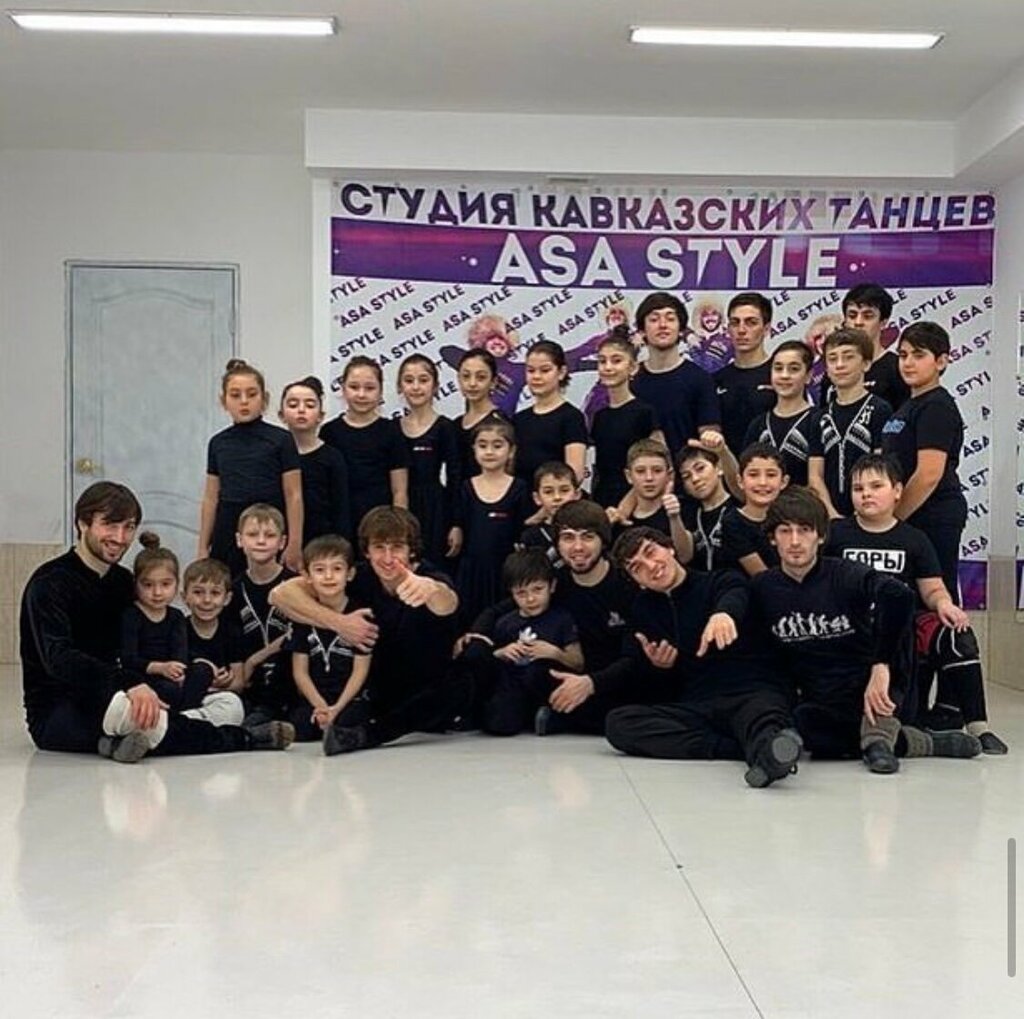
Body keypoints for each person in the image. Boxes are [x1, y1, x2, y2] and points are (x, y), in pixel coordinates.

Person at [20, 481, 292, 760]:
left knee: (229, 704)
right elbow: (59, 659)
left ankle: (122, 740)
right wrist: (129, 684)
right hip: (60, 709)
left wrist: (198, 669)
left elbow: (152, 641)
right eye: (109, 525)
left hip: (124, 691)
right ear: (82, 523)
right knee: (137, 714)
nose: (120, 537)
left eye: (128, 527)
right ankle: (244, 738)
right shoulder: (49, 583)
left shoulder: (122, 582)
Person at [751, 487, 981, 773]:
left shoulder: (842, 573)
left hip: (875, 684)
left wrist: (880, 665)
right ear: (772, 538)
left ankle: (878, 741)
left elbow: (899, 596)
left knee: (898, 625)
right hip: (823, 699)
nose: (795, 541)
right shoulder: (763, 587)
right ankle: (917, 742)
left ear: (820, 536)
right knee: (810, 731)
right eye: (785, 531)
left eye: (805, 530)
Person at [826, 454, 1008, 753]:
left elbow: (932, 588)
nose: (866, 494)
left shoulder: (915, 539)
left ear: (897, 490)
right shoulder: (835, 534)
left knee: (957, 634)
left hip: (902, 632)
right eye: (858, 489)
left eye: (876, 486)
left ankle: (979, 727)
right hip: (850, 629)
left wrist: (944, 604)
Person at [604, 527, 803, 789]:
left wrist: (724, 614)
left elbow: (735, 593)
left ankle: (768, 752)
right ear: (636, 580)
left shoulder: (718, 580)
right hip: (700, 704)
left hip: (751, 692)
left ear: (670, 548)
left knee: (764, 719)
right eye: (637, 567)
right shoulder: (643, 609)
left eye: (651, 553)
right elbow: (648, 680)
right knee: (619, 724)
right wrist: (661, 667)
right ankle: (748, 750)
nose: (651, 567)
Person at [271, 507, 471, 755]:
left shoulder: (429, 577)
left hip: (426, 686)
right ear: (367, 551)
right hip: (379, 686)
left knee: (464, 675)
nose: (388, 558)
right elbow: (279, 595)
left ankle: (367, 736)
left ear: (411, 550)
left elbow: (447, 602)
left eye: (397, 547)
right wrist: (339, 623)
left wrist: (429, 589)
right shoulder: (360, 576)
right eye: (379, 547)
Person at [881, 322, 967, 602]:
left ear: (941, 361)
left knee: (936, 597)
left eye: (918, 355)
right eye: (903, 355)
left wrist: (892, 519)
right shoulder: (909, 405)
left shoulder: (936, 406)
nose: (908, 363)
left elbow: (929, 474)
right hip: (912, 514)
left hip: (933, 514)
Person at [120, 533, 242, 724]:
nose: (157, 592)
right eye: (148, 585)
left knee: (203, 672)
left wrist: (189, 668)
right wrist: (160, 667)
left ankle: (180, 719)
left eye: (165, 584)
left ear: (176, 585)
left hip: (174, 680)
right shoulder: (132, 615)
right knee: (167, 690)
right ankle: (181, 721)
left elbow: (180, 653)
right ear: (136, 585)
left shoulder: (176, 616)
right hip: (145, 679)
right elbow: (128, 659)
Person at [198, 358, 303, 575]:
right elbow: (210, 497)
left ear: (264, 399)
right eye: (235, 395)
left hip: (270, 526)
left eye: (252, 394)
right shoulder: (218, 443)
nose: (244, 402)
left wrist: (294, 542)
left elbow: (294, 494)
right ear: (224, 401)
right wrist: (202, 546)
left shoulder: (281, 440)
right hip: (228, 530)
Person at [480, 550, 583, 736]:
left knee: (538, 676)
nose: (530, 599)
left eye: (537, 589)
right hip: (514, 685)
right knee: (500, 722)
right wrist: (503, 652)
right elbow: (492, 658)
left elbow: (578, 662)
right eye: (521, 593)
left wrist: (555, 653)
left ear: (552, 586)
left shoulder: (562, 619)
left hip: (546, 683)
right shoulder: (505, 623)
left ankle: (548, 716)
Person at [287, 535, 372, 745]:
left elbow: (360, 671)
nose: (328, 576)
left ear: (350, 573)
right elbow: (300, 672)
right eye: (319, 569)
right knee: (300, 725)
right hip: (316, 698)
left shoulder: (362, 614)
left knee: (348, 720)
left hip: (350, 699)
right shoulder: (303, 617)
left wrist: (337, 708)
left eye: (337, 569)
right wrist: (320, 706)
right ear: (306, 576)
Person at [449, 418, 532, 626]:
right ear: (474, 450)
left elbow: (524, 530)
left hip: (504, 571)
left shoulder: (520, 488)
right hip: (471, 572)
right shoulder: (466, 487)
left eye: (497, 445)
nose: (489, 452)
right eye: (483, 445)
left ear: (511, 451)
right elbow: (459, 525)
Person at [807, 328, 893, 518]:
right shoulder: (820, 417)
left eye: (848, 357)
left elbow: (880, 467)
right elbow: (815, 475)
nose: (839, 365)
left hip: (868, 513)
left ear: (866, 364)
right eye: (832, 359)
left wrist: (861, 512)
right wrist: (831, 514)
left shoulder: (880, 409)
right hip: (829, 516)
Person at [320, 355, 409, 535]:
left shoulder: (391, 431)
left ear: (380, 391)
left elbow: (399, 490)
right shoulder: (329, 432)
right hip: (338, 522)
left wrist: (398, 528)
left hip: (380, 523)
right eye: (354, 387)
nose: (361, 394)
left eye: (369, 388)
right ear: (343, 389)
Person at [228, 504, 297, 725]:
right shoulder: (234, 588)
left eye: (269, 535)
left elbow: (298, 634)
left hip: (291, 679)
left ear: (282, 542)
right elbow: (232, 638)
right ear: (239, 540)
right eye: (252, 535)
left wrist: (255, 659)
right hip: (251, 684)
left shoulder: (296, 584)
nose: (261, 541)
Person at [631, 292, 720, 458]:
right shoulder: (631, 380)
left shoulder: (700, 379)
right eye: (654, 319)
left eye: (670, 319)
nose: (662, 325)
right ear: (642, 331)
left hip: (689, 471)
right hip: (641, 472)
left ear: (681, 330)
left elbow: (710, 441)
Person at [397, 354, 462, 564]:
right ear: (400, 387)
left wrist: (456, 523)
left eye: (423, 380)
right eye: (409, 380)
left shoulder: (445, 427)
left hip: (436, 507)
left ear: (435, 386)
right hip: (401, 504)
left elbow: (455, 476)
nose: (416, 387)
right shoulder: (392, 428)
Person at [588, 333, 661, 508]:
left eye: (616, 361)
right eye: (602, 361)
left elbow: (658, 464)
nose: (608, 367)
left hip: (638, 503)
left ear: (633, 368)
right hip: (603, 502)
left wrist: (624, 509)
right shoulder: (600, 417)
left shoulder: (644, 412)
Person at [279, 375, 351, 545]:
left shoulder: (332, 457)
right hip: (281, 542)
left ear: (321, 415)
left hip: (323, 544)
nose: (301, 410)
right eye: (293, 405)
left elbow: (341, 509)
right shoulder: (274, 456)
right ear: (281, 415)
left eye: (310, 405)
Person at [820, 283, 909, 410]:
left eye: (867, 316)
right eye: (852, 316)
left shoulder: (897, 368)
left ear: (883, 322)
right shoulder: (836, 369)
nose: (858, 322)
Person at [512, 340, 588, 487]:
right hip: (522, 498)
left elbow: (575, 474)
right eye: (531, 370)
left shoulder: (572, 417)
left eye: (545, 370)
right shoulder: (519, 419)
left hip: (556, 498)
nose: (536, 376)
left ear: (561, 372)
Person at [742, 341, 818, 486]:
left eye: (793, 369)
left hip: (806, 500)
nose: (784, 375)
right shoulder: (758, 424)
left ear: (808, 376)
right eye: (778, 368)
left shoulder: (819, 420)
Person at [714, 292, 776, 455]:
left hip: (771, 466)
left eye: (751, 322)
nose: (741, 330)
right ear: (728, 329)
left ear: (766, 329)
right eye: (735, 323)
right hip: (726, 465)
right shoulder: (716, 380)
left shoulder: (780, 376)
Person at [715, 443, 788, 575]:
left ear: (784, 481)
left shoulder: (791, 517)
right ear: (740, 481)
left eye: (771, 475)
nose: (762, 482)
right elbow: (761, 575)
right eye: (753, 475)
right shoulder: (733, 522)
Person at [613, 439, 689, 561]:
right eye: (640, 471)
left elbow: (684, 557)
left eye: (657, 470)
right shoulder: (620, 521)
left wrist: (674, 518)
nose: (649, 478)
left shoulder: (683, 508)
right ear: (629, 476)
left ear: (669, 475)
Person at [452, 348, 509, 480]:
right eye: (466, 376)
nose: (472, 383)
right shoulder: (454, 425)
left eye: (481, 377)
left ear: (493, 382)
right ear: (459, 380)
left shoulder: (500, 423)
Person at [677, 446, 735, 572]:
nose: (695, 479)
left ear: (718, 468)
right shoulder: (689, 516)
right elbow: (684, 556)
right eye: (686, 476)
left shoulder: (739, 504)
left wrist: (723, 449)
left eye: (700, 469)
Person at [519, 461, 581, 568]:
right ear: (537, 498)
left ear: (577, 494)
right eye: (548, 492)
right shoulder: (531, 536)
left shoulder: (586, 529)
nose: (557, 497)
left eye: (564, 490)